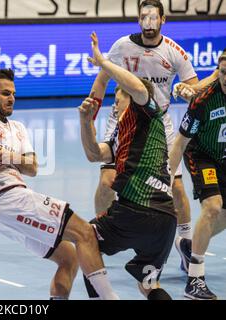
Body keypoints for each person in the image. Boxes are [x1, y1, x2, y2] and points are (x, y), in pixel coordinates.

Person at [0, 68, 119, 300]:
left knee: (68, 258)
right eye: (5, 93)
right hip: (6, 197)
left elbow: (32, 167)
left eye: (13, 93)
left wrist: (9, 157)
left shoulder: (18, 128)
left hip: (8, 205)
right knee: (85, 233)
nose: (11, 98)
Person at [90, 0, 198, 272]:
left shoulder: (174, 52)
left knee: (175, 187)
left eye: (153, 18)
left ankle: (186, 242)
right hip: (122, 119)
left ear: (163, 19)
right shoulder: (122, 46)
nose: (148, 23)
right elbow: (102, 80)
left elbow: (193, 85)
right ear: (139, 20)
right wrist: (90, 111)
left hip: (158, 124)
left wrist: (185, 91)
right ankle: (103, 231)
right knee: (106, 182)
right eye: (143, 17)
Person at [80, 32, 176, 300]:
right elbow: (95, 154)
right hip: (165, 220)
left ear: (129, 98)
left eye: (116, 98)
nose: (114, 104)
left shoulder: (145, 109)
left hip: (137, 208)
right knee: (148, 287)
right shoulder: (125, 132)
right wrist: (86, 122)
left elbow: (140, 88)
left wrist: (104, 63)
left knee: (85, 238)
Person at [169, 52, 226, 300]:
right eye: (223, 72)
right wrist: (167, 179)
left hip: (224, 154)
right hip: (202, 154)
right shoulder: (204, 101)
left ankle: (189, 246)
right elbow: (180, 143)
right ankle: (195, 280)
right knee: (213, 207)